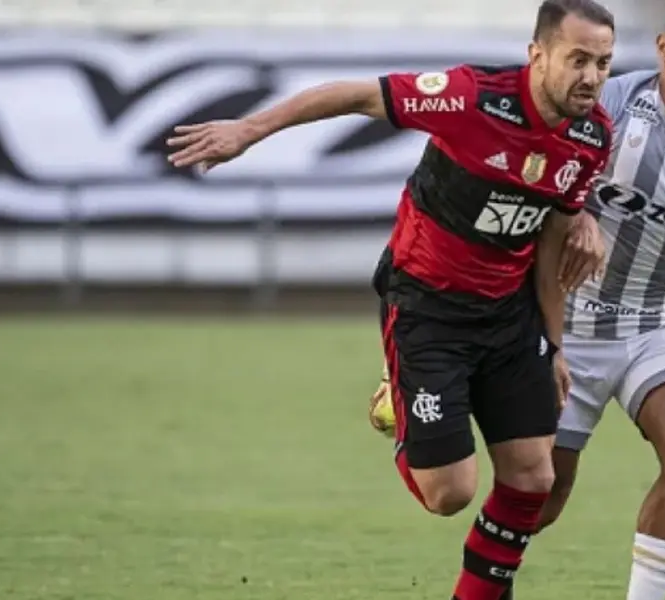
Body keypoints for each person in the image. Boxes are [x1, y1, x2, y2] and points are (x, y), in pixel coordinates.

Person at [369, 1, 665, 598]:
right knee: (540, 494)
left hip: (659, 324)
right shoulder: (609, 101)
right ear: (664, 47)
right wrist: (578, 215)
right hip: (570, 318)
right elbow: (540, 169)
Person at [168, 1, 615, 599]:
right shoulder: (469, 97)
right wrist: (249, 131)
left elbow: (553, 236)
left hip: (509, 313)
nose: (591, 76)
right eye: (578, 59)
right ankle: (399, 397)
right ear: (538, 55)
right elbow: (355, 96)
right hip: (428, 304)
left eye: (604, 63)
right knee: (449, 493)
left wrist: (554, 344)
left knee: (534, 478)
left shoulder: (591, 137)